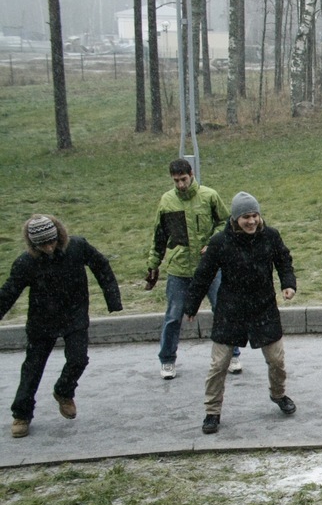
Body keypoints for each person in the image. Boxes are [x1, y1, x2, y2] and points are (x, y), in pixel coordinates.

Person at [184, 192, 297, 434]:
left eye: (255, 215)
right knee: (218, 365)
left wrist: (288, 284)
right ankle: (212, 411)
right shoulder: (220, 242)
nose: (252, 221)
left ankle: (278, 395)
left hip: (264, 308)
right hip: (230, 311)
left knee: (276, 361)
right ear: (235, 219)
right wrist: (191, 305)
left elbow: (284, 261)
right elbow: (203, 274)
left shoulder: (271, 236)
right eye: (246, 217)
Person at [0, 215, 121, 438]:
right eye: (42, 245)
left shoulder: (77, 247)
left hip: (74, 314)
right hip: (42, 320)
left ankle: (64, 391)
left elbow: (101, 265)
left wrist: (113, 298)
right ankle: (21, 414)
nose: (48, 247)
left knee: (78, 359)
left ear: (59, 236)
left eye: (51, 241)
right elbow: (9, 292)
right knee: (33, 368)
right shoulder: (25, 263)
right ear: (33, 245)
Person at [145, 158, 237, 380]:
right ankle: (167, 360)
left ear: (191, 175)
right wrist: (153, 264)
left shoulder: (209, 196)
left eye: (183, 179)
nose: (180, 185)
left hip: (209, 267)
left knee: (223, 311)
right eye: (176, 181)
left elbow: (226, 223)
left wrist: (213, 243)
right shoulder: (167, 201)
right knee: (173, 316)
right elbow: (159, 235)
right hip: (179, 269)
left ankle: (232, 354)